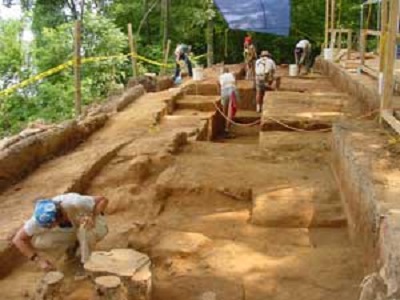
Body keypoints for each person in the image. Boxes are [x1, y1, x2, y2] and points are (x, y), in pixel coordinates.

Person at [12, 193, 109, 271]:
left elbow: (103, 199)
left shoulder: (74, 202)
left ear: (60, 216)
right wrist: (38, 260)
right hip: (71, 229)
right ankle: (72, 247)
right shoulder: (39, 219)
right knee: (38, 241)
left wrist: (92, 217)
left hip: (92, 223)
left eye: (51, 225)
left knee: (84, 231)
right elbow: (18, 239)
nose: (49, 228)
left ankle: (86, 263)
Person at [219, 66, 239, 137]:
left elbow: (219, 86)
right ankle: (227, 129)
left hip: (224, 91)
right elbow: (235, 83)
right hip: (232, 90)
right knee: (231, 110)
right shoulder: (232, 74)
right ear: (228, 71)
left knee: (224, 109)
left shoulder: (220, 76)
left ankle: (223, 126)